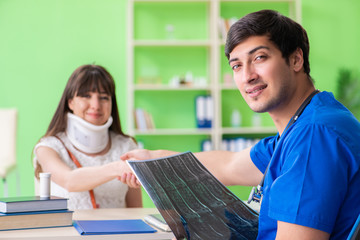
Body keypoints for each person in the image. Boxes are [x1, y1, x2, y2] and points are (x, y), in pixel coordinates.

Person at [120, 10, 360, 239]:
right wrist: (152, 157)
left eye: (259, 58)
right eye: (236, 65)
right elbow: (230, 165)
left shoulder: (313, 136)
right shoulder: (302, 123)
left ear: (296, 59)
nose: (247, 75)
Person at [34, 64, 142, 210]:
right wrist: (118, 168)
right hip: (65, 233)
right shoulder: (48, 148)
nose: (96, 105)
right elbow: (69, 181)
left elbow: (136, 211)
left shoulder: (127, 147)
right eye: (86, 96)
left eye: (104, 97)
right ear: (70, 102)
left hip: (117, 232)